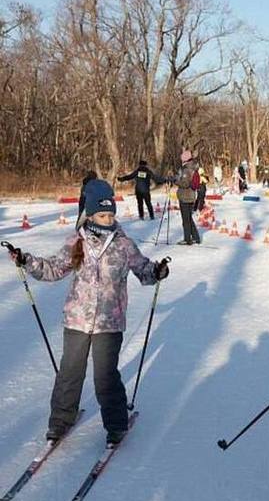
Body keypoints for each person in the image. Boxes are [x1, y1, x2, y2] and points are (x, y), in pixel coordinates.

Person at [8, 179, 169, 445]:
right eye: (102, 215)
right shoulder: (77, 242)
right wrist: (27, 261)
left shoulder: (123, 244)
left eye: (110, 215)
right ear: (90, 215)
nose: (108, 220)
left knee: (105, 376)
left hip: (109, 322)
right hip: (77, 320)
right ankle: (60, 421)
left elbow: (143, 269)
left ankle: (116, 424)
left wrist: (156, 271)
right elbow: (54, 268)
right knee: (69, 373)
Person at [176, 150, 201, 245]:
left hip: (185, 197)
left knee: (186, 220)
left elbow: (185, 183)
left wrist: (175, 181)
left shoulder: (187, 169)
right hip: (190, 196)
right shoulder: (193, 168)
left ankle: (187, 239)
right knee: (189, 218)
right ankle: (196, 237)